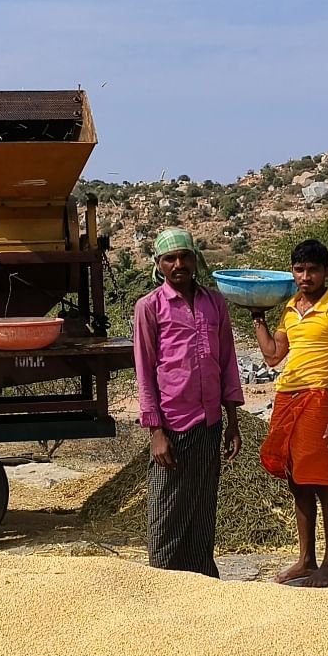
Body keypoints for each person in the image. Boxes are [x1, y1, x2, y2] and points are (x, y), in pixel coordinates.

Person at [133, 229, 244, 576]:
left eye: (185, 256)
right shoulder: (150, 307)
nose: (179, 264)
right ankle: (162, 580)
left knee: (200, 507)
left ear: (196, 260)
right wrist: (156, 432)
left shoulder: (215, 303)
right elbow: (145, 372)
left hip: (210, 422)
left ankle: (200, 582)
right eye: (170, 259)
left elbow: (227, 362)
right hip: (172, 425)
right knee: (165, 510)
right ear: (159, 265)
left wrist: (233, 422)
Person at [249, 239, 328, 587]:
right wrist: (257, 318)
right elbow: (272, 356)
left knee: (324, 482)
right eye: (299, 269)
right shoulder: (290, 309)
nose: (305, 276)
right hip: (285, 398)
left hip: (317, 399)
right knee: (297, 481)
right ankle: (306, 560)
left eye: (312, 269)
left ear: (326, 271)